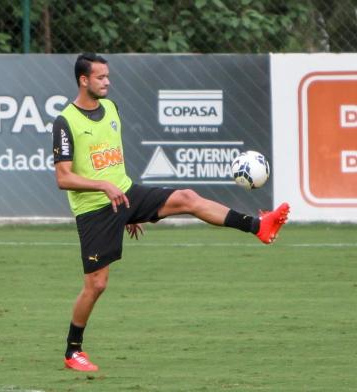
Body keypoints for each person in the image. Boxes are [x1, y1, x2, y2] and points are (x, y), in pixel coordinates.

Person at [52, 53, 290, 372]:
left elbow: (112, 164)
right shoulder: (65, 121)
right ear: (84, 80)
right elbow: (63, 177)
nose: (107, 81)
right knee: (97, 285)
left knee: (187, 198)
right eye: (100, 77)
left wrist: (129, 212)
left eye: (108, 76)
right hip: (95, 209)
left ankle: (258, 225)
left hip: (125, 195)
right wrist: (103, 188)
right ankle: (73, 351)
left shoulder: (111, 109)